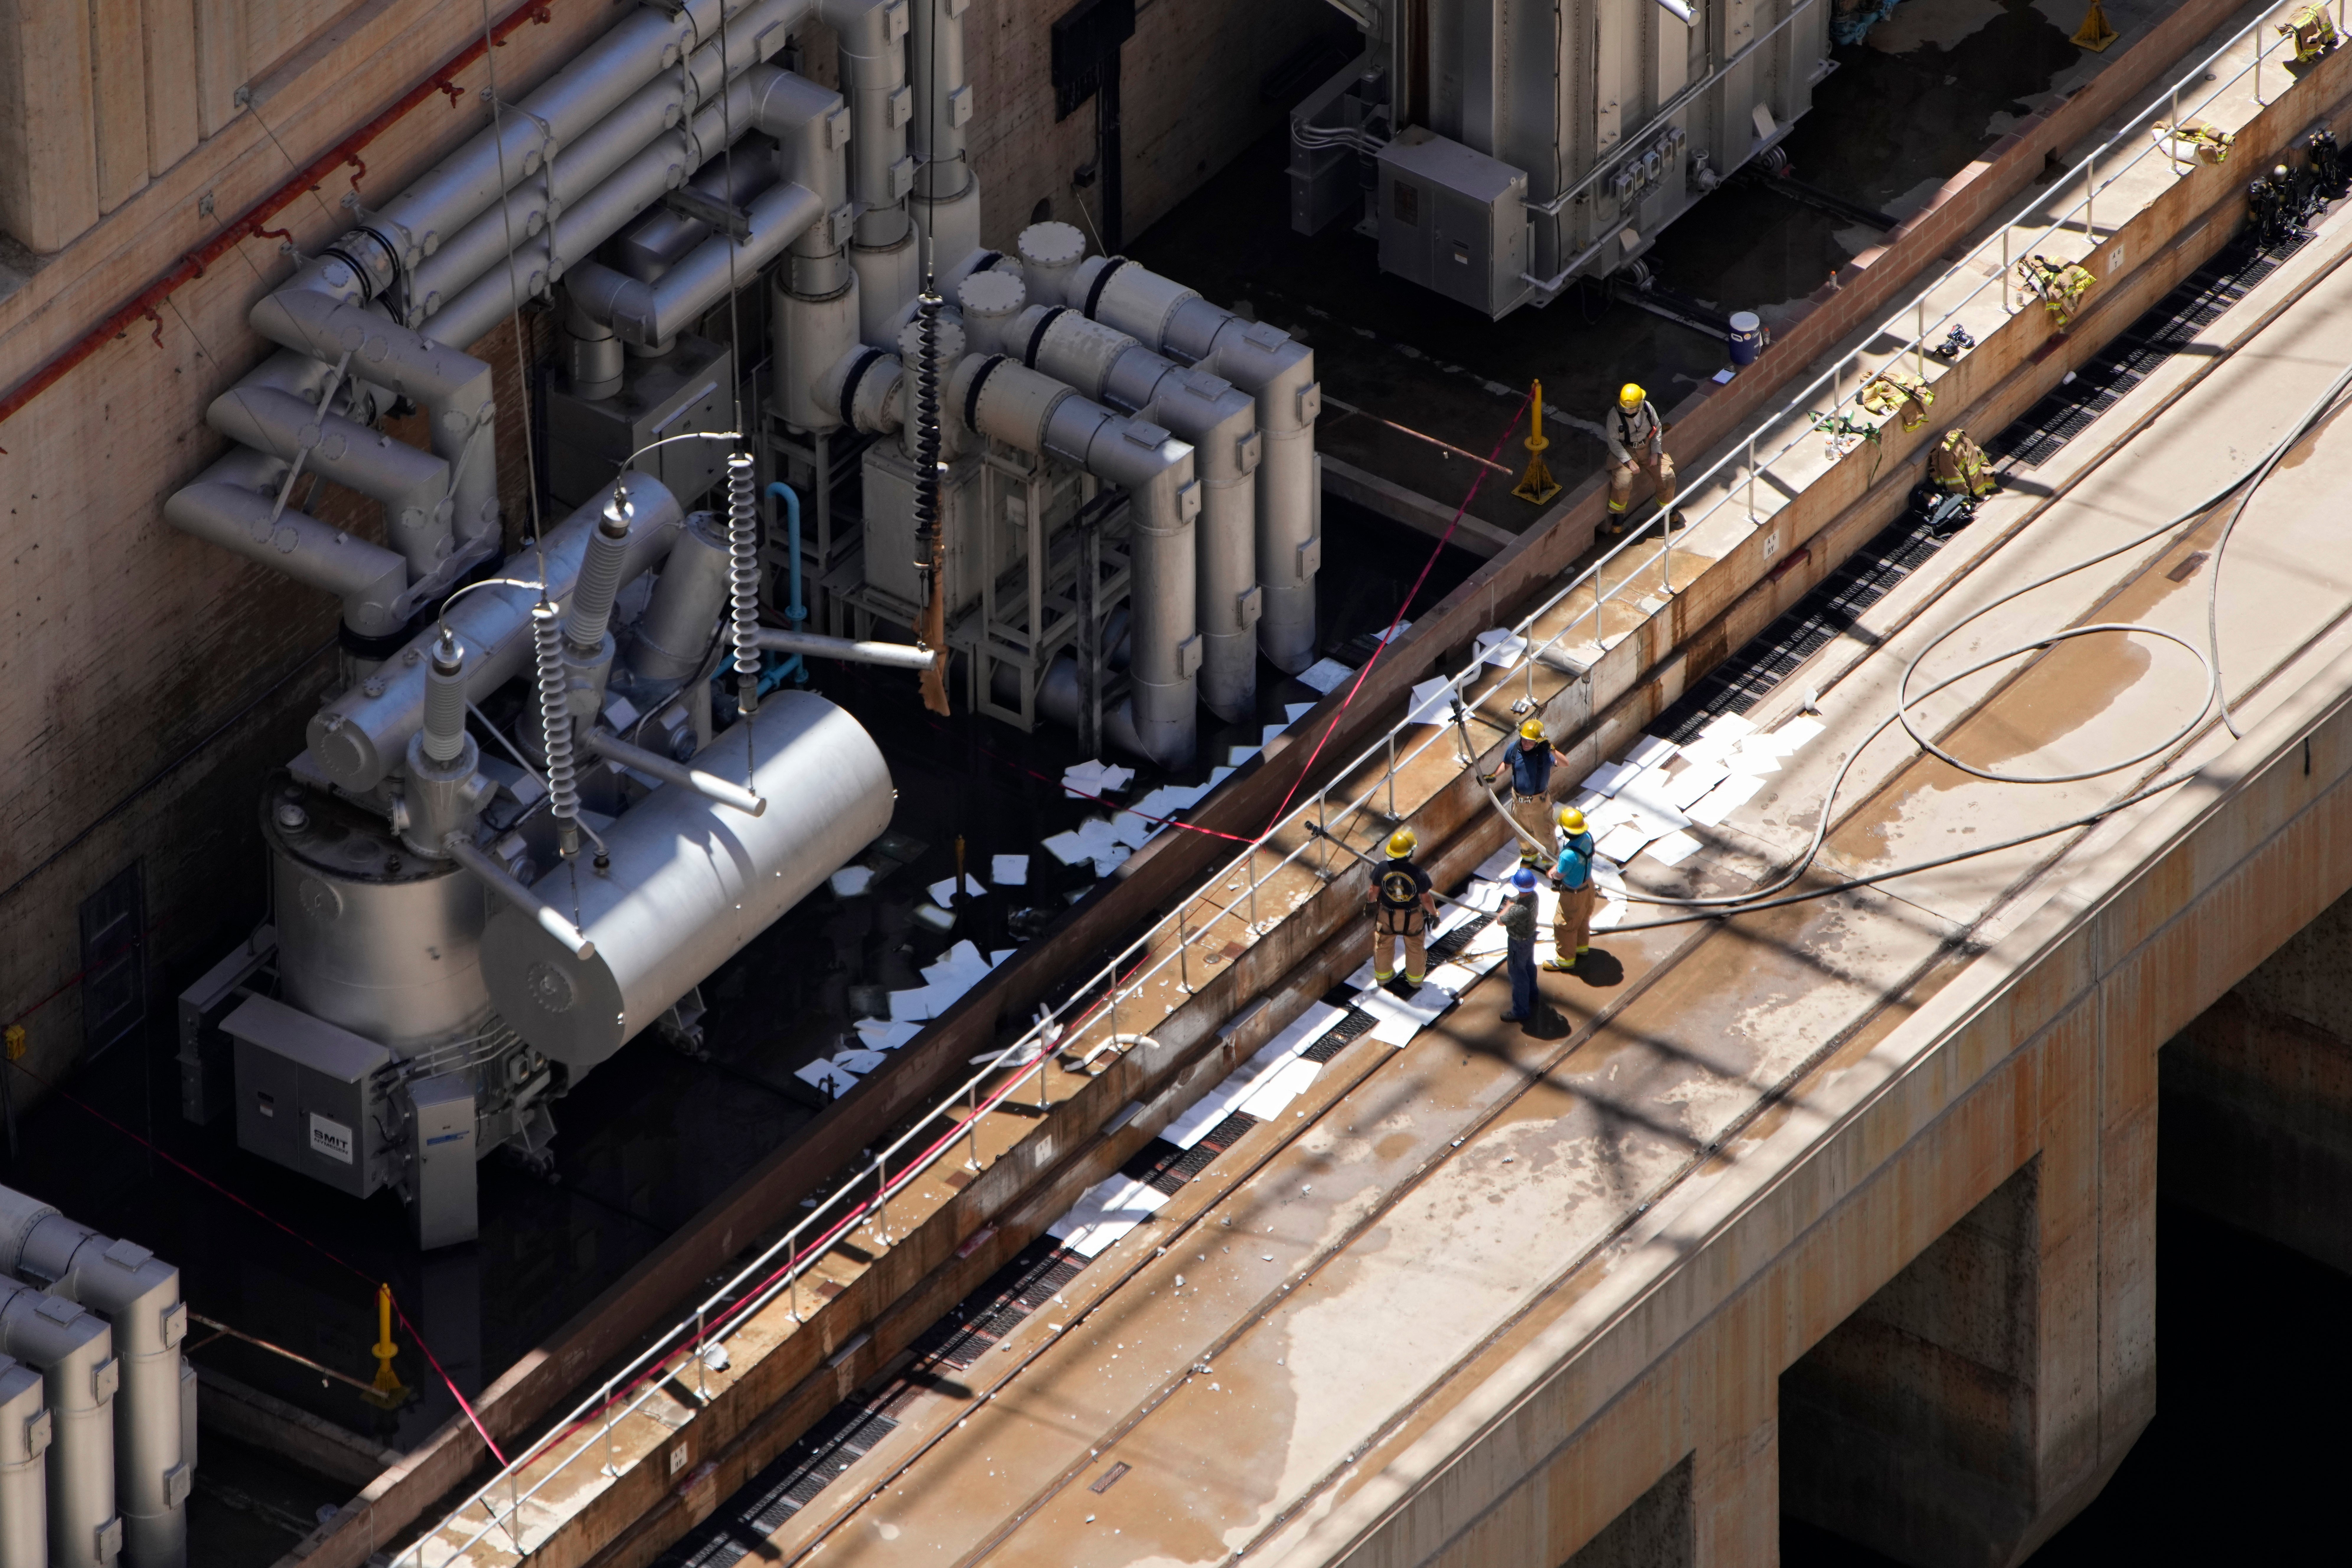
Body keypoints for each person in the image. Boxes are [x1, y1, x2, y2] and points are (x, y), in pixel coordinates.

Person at [1603, 382, 1679, 537]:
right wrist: (1629, 461)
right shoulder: (1614, 416)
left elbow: (1657, 430)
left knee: (1668, 476)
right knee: (1623, 482)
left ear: (1640, 404)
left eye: (1632, 407)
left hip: (1648, 447)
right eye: (1626, 407)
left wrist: (1655, 452)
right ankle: (1619, 516)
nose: (1628, 410)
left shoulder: (1648, 408)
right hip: (1626, 450)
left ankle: (1666, 509)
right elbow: (1614, 442)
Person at [1482, 717, 1570, 849]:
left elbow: (1565, 764)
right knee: (1523, 834)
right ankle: (1529, 857)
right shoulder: (1514, 748)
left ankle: (1550, 861)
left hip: (1539, 804)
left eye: (1531, 741)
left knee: (1544, 835)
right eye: (1524, 739)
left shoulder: (1545, 753)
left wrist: (1552, 750)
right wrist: (1494, 776)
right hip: (1519, 803)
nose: (1526, 743)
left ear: (1538, 742)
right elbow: (1506, 764)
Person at [1365, 827, 1435, 988]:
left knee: (1383, 945)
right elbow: (1426, 899)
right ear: (1411, 852)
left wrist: (1370, 904)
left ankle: (1383, 979)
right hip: (1412, 917)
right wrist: (1434, 914)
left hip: (1387, 915)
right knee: (1415, 947)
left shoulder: (1382, 868)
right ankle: (1415, 981)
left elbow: (1373, 891)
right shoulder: (1419, 874)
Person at [1546, 804, 1598, 972]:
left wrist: (1553, 873)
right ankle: (1581, 947)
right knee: (1583, 917)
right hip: (1588, 886)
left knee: (1564, 926)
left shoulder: (1568, 855)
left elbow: (1560, 874)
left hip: (1573, 893)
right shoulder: (1588, 838)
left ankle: (1565, 960)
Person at [1499, 868, 1541, 1025]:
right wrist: (1512, 904)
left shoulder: (1518, 910)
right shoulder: (1534, 896)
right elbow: (1518, 899)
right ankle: (1533, 996)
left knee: (1518, 976)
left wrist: (1507, 907)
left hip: (1518, 943)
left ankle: (1521, 1011)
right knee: (1529, 967)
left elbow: (1500, 921)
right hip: (1529, 939)